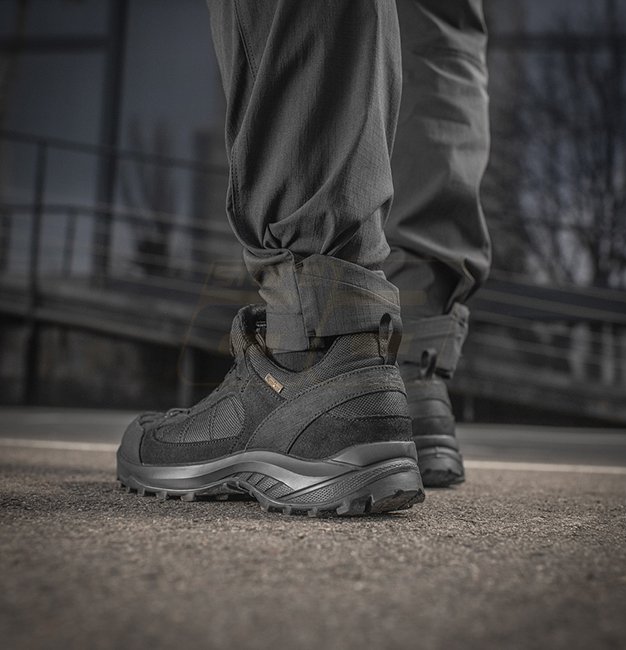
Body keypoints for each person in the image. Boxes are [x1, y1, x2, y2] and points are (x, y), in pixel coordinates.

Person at [116, 0, 490, 516]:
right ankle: (407, 371)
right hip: (404, 338)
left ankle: (313, 355)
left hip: (315, 340)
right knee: (437, 23)